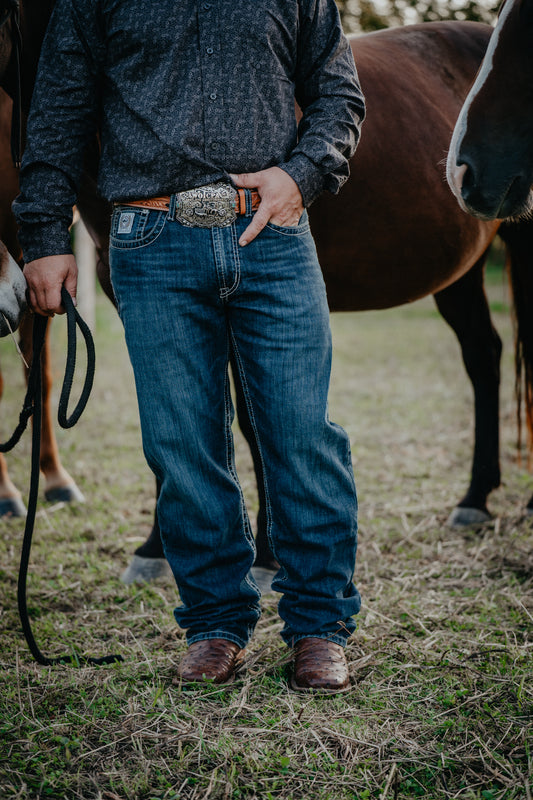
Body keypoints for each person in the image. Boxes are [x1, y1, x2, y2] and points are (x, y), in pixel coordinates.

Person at [14, 0, 365, 693]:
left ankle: (319, 625)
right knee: (181, 444)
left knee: (302, 433)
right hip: (151, 241)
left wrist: (301, 173)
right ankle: (214, 624)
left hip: (272, 236)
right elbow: (57, 112)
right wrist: (45, 236)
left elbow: (338, 94)